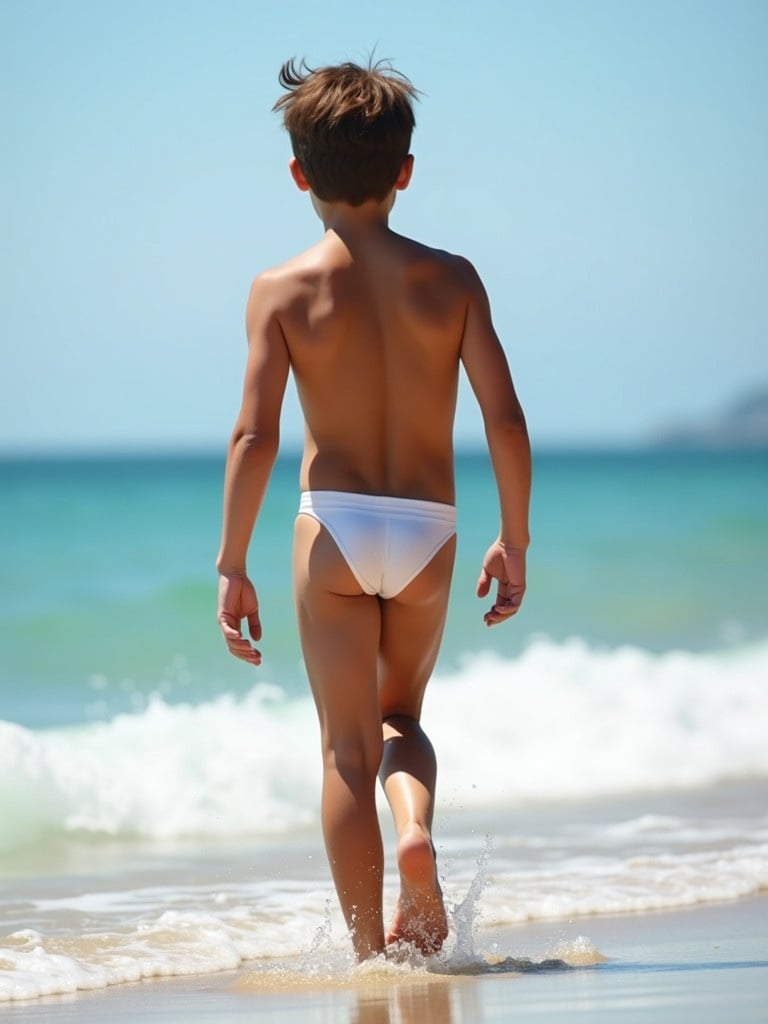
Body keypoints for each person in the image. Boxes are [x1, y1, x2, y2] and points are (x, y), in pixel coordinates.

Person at [216, 58, 531, 962]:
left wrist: (232, 562)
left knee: (345, 751)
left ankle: (370, 957)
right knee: (404, 723)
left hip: (335, 529)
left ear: (299, 174)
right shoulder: (454, 279)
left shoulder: (280, 290)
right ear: (406, 171)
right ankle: (415, 829)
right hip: (428, 530)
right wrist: (514, 538)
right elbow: (504, 419)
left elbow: (254, 439)